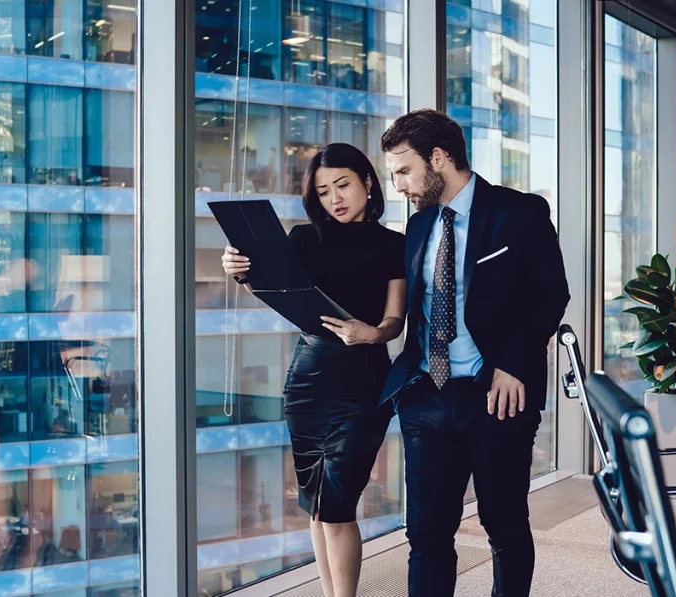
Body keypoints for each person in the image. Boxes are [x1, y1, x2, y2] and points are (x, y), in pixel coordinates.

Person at [379, 109, 570, 597]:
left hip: (497, 398)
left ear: (439, 158)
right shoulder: (419, 225)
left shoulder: (520, 212)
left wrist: (513, 364)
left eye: (404, 170)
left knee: (504, 526)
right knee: (426, 536)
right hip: (427, 397)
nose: (398, 185)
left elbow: (550, 295)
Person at [221, 143, 406, 597]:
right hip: (308, 380)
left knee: (338, 507)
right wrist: (238, 269)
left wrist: (371, 333)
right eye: (323, 192)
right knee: (318, 505)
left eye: (342, 185)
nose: (334, 199)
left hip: (363, 384)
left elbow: (394, 322)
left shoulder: (394, 244)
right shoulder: (304, 238)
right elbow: (270, 285)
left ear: (367, 181)